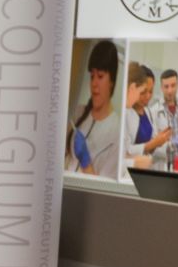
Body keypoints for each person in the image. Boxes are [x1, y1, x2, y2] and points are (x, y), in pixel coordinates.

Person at [64, 40, 123, 177]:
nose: (94, 83)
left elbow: (103, 187)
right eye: (92, 76)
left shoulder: (117, 131)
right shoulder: (79, 112)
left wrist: (86, 163)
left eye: (100, 76)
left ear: (112, 81)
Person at [121, 62, 165, 170]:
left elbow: (152, 140)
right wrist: (151, 145)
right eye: (143, 92)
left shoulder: (148, 111)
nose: (147, 96)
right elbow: (124, 152)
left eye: (151, 91)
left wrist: (159, 141)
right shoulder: (125, 113)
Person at [147, 69, 178, 171]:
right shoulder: (153, 111)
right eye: (166, 86)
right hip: (163, 165)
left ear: (177, 85)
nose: (170, 90)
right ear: (161, 87)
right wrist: (172, 144)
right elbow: (152, 145)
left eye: (173, 85)